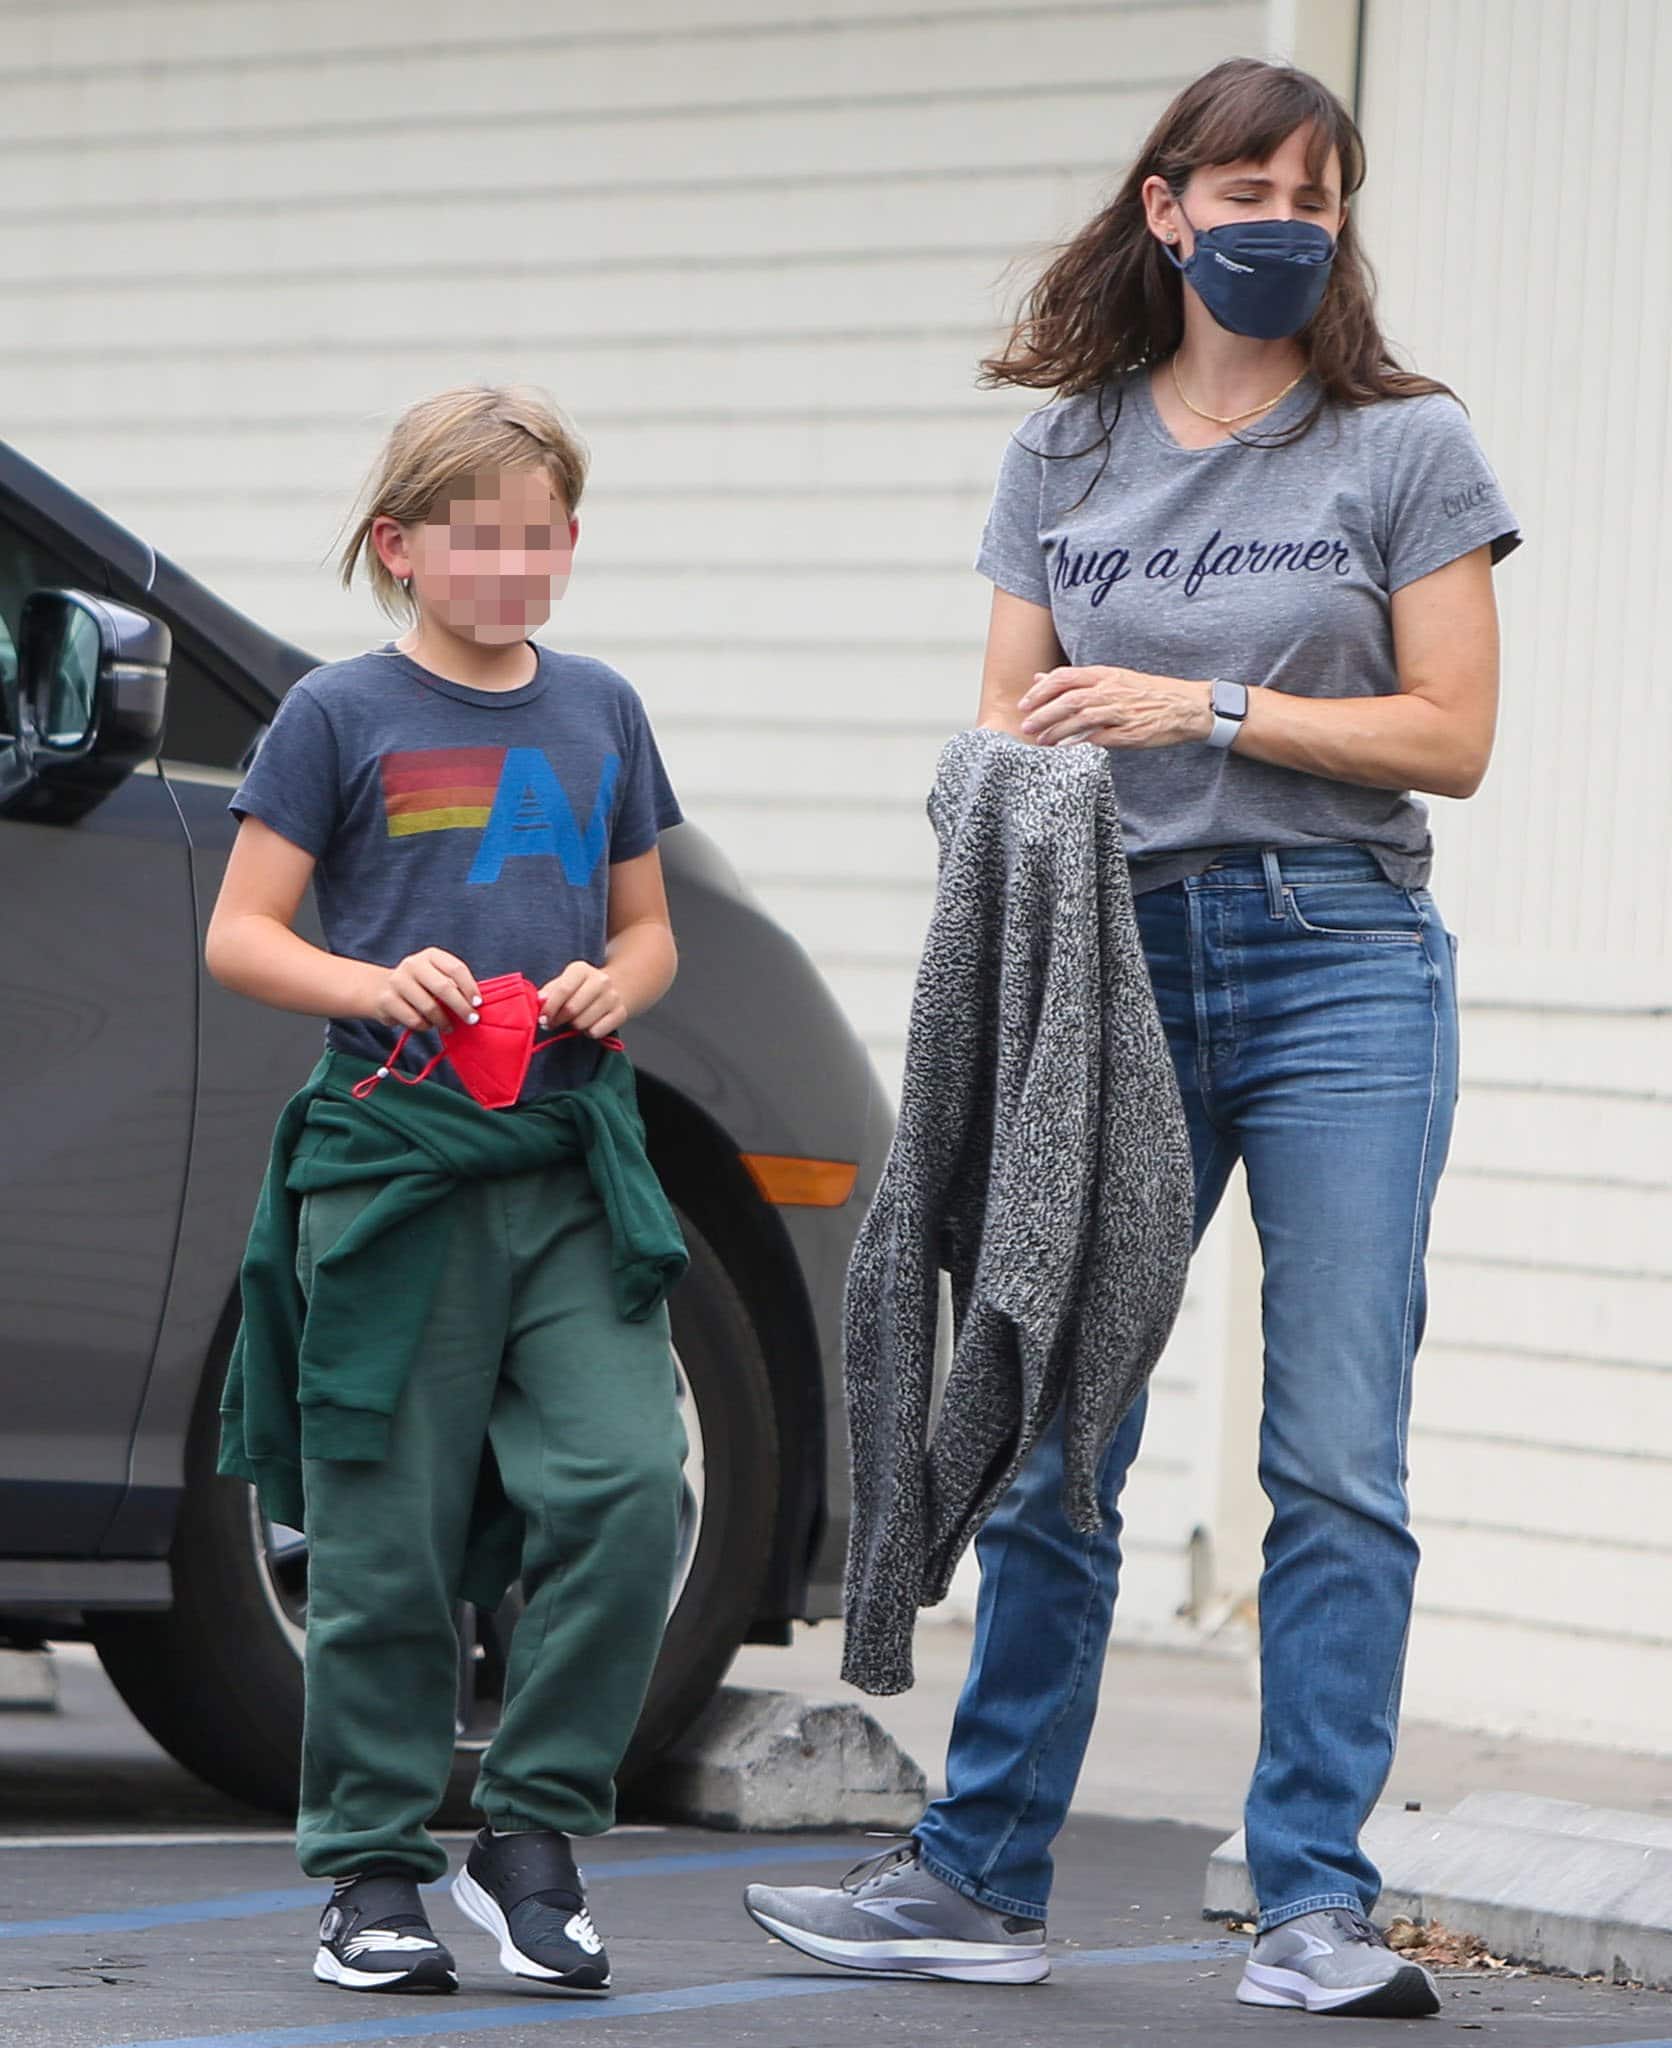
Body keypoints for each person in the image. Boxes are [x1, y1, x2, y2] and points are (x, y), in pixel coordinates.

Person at [745, 57, 1519, 2021]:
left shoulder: (1400, 448)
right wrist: (1031, 759)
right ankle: (978, 1874)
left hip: (1338, 957)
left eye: (1319, 193)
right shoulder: (1065, 455)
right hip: (1109, 973)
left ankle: (1315, 1901)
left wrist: (1208, 715)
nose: (1286, 220)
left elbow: (1450, 737)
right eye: (1248, 184)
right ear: (1164, 208)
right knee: (1054, 1424)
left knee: (1333, 1453)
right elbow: (1003, 724)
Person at [208, 385, 689, 1999]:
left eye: (540, 529)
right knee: (385, 1540)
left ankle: (534, 1835)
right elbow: (241, 933)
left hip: (563, 1164)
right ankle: (370, 1872)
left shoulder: (601, 709)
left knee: (630, 1489)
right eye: (476, 531)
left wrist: (622, 985)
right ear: (399, 545)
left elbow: (650, 931)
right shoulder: (336, 716)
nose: (513, 560)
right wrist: (365, 979)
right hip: (390, 1171)